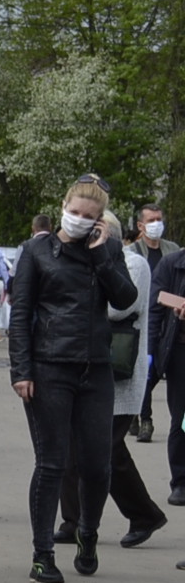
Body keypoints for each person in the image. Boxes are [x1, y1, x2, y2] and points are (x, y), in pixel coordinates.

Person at [10, 175, 139, 582]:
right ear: (64, 205)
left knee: (97, 465)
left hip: (96, 369)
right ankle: (42, 554)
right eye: (75, 212)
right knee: (51, 463)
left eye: (90, 216)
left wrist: (101, 255)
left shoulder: (110, 250)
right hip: (49, 367)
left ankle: (88, 533)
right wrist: (21, 370)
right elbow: (20, 313)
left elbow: (125, 299)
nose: (80, 220)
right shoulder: (36, 250)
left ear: (101, 221)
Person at [56, 212, 164, 547]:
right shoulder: (81, 260)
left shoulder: (134, 264)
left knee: (108, 450)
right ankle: (73, 520)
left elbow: (122, 307)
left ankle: (144, 514)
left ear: (109, 235)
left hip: (121, 372)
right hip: (84, 366)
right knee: (72, 449)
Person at [128, 205, 169, 439]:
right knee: (146, 370)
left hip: (169, 322)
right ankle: (146, 420)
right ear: (141, 226)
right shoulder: (132, 252)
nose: (157, 224)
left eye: (159, 219)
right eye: (152, 220)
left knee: (157, 373)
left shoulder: (171, 252)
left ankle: (136, 410)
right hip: (142, 323)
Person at [153, 245, 185, 512]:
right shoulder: (172, 264)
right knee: (183, 418)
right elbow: (155, 309)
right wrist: (151, 352)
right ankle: (181, 480)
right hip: (180, 353)